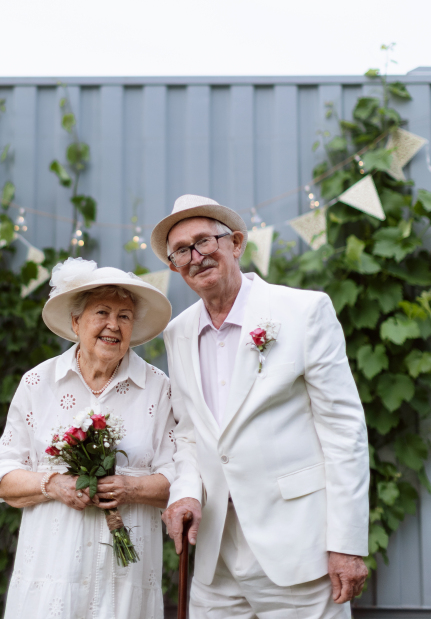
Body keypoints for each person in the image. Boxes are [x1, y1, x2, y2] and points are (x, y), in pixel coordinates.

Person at [150, 194, 370, 619]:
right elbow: (189, 433)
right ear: (175, 267)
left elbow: (344, 431)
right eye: (181, 251)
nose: (196, 257)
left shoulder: (304, 311)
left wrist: (345, 544)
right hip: (215, 557)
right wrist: (184, 494)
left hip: (299, 551)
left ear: (235, 243)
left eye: (205, 242)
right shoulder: (177, 333)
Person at [0, 258, 175, 619]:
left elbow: (177, 479)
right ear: (75, 322)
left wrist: (129, 489)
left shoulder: (158, 389)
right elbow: (2, 476)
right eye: (101, 312)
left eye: (124, 316)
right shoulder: (37, 383)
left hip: (125, 578)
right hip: (50, 573)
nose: (113, 325)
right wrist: (54, 484)